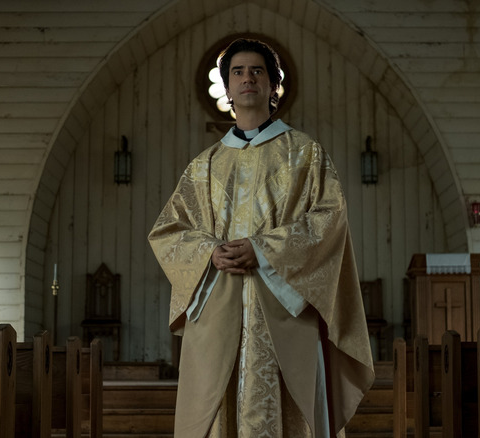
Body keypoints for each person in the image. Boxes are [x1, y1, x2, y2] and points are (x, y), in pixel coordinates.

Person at [148, 38, 374, 438]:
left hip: (283, 311)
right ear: (228, 89)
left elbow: (329, 219)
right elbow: (169, 230)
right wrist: (210, 252)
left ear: (273, 86)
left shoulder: (305, 154)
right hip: (220, 310)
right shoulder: (205, 165)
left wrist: (264, 250)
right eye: (238, 72)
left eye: (257, 71)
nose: (247, 78)